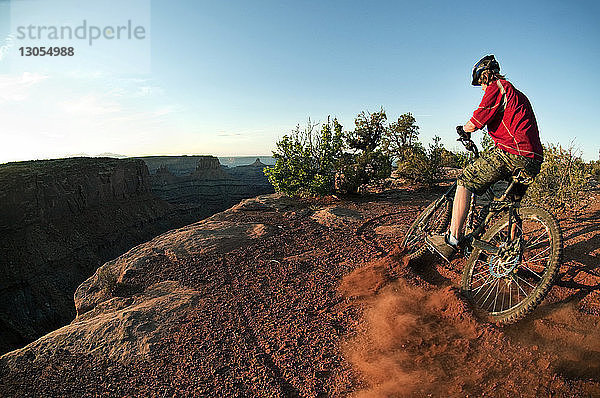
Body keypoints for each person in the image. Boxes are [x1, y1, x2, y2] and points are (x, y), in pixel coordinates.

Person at [426, 54, 544, 261]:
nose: (481, 89)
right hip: (533, 160)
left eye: (479, 83)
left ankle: (452, 240)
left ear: (483, 77)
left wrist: (463, 130)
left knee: (465, 180)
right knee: (511, 205)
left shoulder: (497, 87)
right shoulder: (518, 94)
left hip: (513, 153)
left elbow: (477, 120)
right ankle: (512, 252)